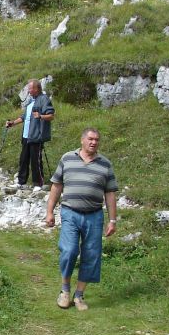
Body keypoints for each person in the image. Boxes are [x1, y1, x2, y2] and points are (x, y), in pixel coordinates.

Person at [45, 127, 118, 311]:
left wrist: (112, 220)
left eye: (97, 140)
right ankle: (64, 291)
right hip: (70, 212)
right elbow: (56, 186)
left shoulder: (105, 164)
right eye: (91, 139)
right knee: (69, 251)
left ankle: (79, 295)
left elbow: (110, 194)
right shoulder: (67, 158)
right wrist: (50, 212)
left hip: (94, 215)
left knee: (91, 255)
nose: (94, 142)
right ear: (82, 140)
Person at [5, 79, 54, 187]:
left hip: (36, 136)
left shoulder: (44, 99)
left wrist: (40, 116)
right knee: (23, 160)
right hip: (26, 136)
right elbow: (24, 117)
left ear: (37, 88)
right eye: (28, 88)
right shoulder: (31, 101)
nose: (28, 90)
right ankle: (21, 182)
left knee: (35, 161)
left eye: (30, 88)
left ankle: (38, 184)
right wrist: (12, 123)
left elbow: (51, 116)